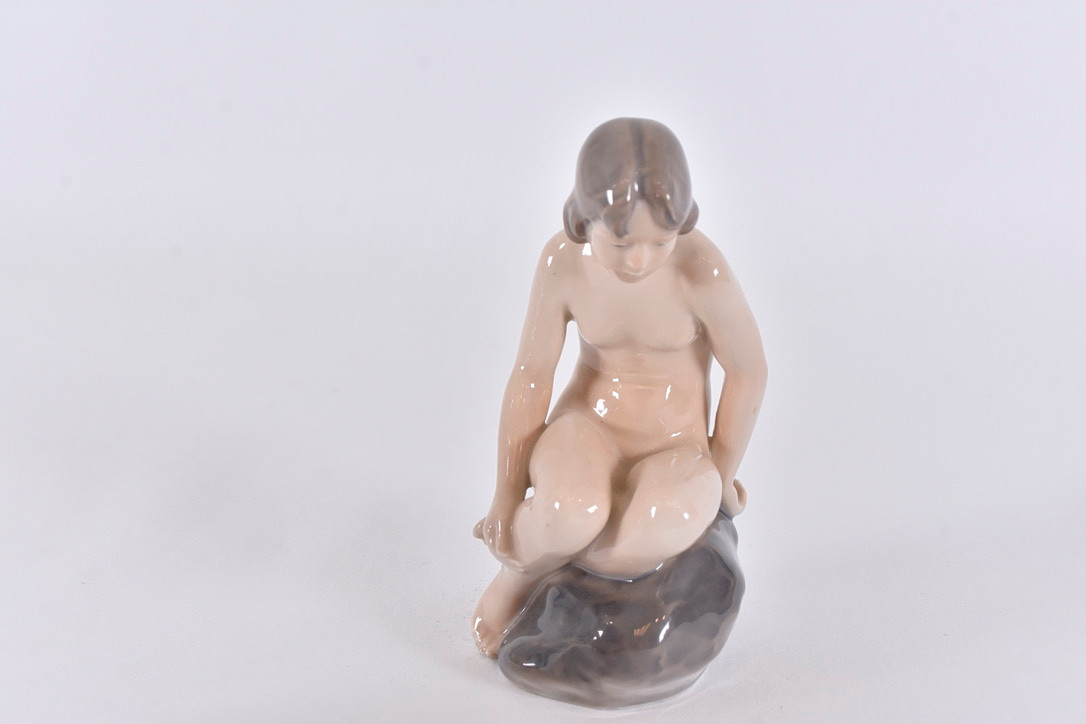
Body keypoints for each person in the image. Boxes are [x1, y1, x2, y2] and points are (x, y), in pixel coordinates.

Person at [472, 118, 767, 658]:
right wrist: (507, 496)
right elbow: (532, 375)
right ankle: (519, 573)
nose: (639, 261)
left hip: (675, 444)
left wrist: (721, 474)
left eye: (660, 242)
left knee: (661, 524)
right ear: (584, 217)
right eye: (621, 240)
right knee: (568, 511)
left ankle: (566, 573)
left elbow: (749, 371)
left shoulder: (700, 271)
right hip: (589, 425)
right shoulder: (564, 262)